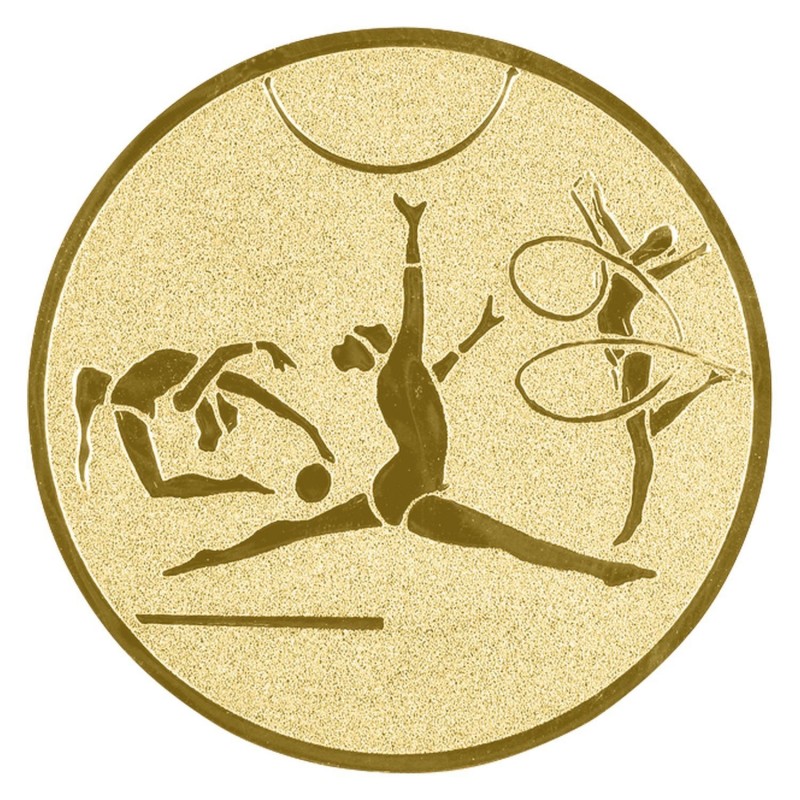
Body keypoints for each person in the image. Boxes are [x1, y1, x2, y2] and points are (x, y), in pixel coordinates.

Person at [165, 195, 655, 586]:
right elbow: (414, 299)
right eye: (368, 329)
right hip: (413, 494)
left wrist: (477, 334)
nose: (379, 324)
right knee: (501, 536)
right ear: (374, 344)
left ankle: (214, 556)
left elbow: (434, 383)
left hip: (397, 489)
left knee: (304, 530)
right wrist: (413, 229)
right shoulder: (401, 361)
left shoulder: (402, 376)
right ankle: (602, 570)